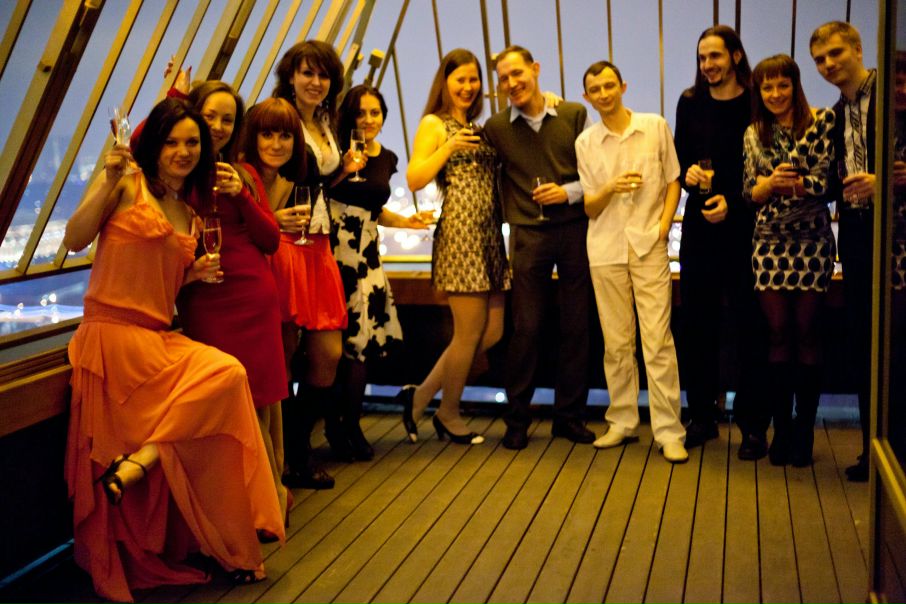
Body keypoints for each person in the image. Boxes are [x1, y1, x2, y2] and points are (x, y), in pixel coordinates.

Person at [62, 98, 283, 602]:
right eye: (172, 142)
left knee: (228, 376)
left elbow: (155, 282)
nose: (182, 151)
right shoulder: (126, 184)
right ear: (154, 146)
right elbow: (75, 239)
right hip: (112, 338)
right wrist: (105, 180)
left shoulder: (188, 210)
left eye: (192, 143)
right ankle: (158, 476)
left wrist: (190, 274)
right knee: (222, 381)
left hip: (157, 336)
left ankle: (143, 463)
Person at [174, 81, 290, 532]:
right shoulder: (178, 171)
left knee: (260, 402)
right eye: (209, 116)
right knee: (229, 402)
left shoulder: (243, 173)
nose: (218, 127)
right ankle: (253, 503)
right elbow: (143, 141)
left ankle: (270, 501)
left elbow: (270, 239)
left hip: (251, 295)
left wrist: (242, 192)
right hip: (205, 297)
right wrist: (174, 99)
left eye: (228, 119)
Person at [575, 61, 688, 463]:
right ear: (586, 97)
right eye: (595, 90)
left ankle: (669, 431)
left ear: (623, 86)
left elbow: (673, 179)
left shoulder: (654, 126)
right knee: (617, 342)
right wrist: (610, 186)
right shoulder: (586, 142)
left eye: (609, 85)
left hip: (648, 244)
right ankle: (622, 420)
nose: (603, 94)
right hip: (605, 248)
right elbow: (590, 206)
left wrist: (663, 226)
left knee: (657, 340)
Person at [395, 49, 509, 445]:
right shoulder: (436, 123)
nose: (468, 86)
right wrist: (448, 147)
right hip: (461, 235)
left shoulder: (476, 126)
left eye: (474, 79)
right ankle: (448, 413)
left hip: (489, 235)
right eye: (460, 79)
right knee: (468, 333)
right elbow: (414, 178)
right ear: (445, 82)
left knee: (491, 332)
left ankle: (419, 396)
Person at [483, 45, 595, 450]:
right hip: (528, 234)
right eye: (504, 79)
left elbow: (596, 174)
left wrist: (567, 192)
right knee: (526, 328)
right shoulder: (496, 128)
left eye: (517, 73)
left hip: (574, 230)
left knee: (577, 326)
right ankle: (517, 420)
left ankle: (569, 418)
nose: (512, 83)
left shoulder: (572, 115)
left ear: (535, 68)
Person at [673, 25, 769, 459]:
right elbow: (681, 160)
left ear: (735, 56)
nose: (707, 65)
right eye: (701, 58)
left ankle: (752, 425)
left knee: (750, 325)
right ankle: (701, 416)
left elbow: (764, 165)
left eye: (714, 56)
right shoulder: (690, 101)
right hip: (700, 222)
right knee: (696, 322)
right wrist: (690, 175)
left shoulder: (756, 101)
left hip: (745, 223)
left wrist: (733, 200)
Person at [743, 54, 836, 467]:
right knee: (778, 333)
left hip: (812, 240)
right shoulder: (753, 132)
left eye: (783, 85)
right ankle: (781, 429)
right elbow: (749, 191)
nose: (775, 93)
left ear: (795, 86)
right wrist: (769, 185)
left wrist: (786, 187)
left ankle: (804, 430)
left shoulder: (822, 122)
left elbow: (826, 181)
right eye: (767, 87)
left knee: (808, 333)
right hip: (768, 243)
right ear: (759, 91)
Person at [331, 85, 430, 456]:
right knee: (335, 344)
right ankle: (333, 424)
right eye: (360, 113)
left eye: (375, 112)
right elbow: (324, 193)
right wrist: (342, 169)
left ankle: (350, 425)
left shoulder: (387, 157)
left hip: (368, 257)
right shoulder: (337, 155)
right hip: (335, 253)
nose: (368, 119)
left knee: (362, 343)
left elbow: (374, 208)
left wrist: (406, 222)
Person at [271, 40, 353, 488]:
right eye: (307, 73)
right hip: (285, 243)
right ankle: (289, 458)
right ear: (291, 76)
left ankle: (297, 445)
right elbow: (265, 173)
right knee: (283, 355)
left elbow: (317, 179)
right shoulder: (278, 119)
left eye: (323, 75)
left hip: (319, 243)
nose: (315, 82)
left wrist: (342, 172)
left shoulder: (324, 121)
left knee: (328, 354)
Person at [809, 21, 875, 481]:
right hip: (856, 235)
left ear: (858, 48)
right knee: (867, 344)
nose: (828, 64)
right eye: (820, 59)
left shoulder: (896, 96)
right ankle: (876, 451)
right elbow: (833, 182)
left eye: (835, 53)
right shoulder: (836, 113)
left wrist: (882, 181)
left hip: (898, 236)